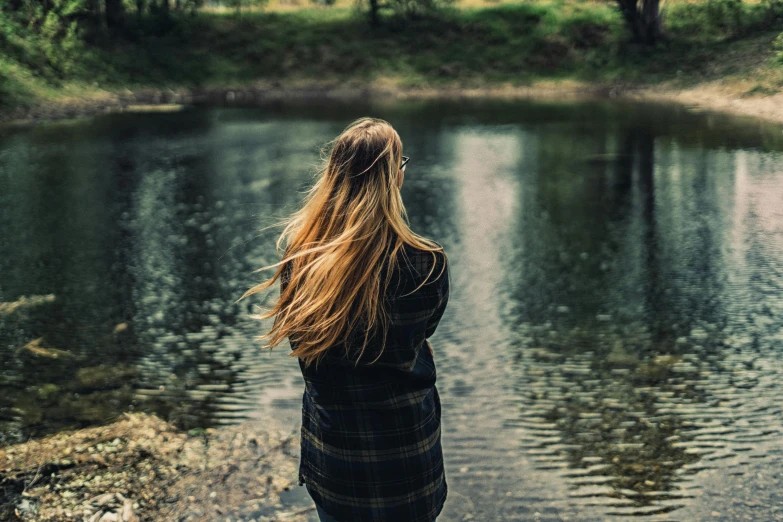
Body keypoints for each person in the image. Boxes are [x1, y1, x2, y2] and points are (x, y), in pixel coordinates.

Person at [236, 117, 450, 522]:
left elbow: (302, 346)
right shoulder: (427, 262)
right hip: (407, 455)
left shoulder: (301, 261)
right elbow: (423, 333)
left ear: (335, 175)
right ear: (394, 178)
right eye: (401, 164)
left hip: (336, 457)